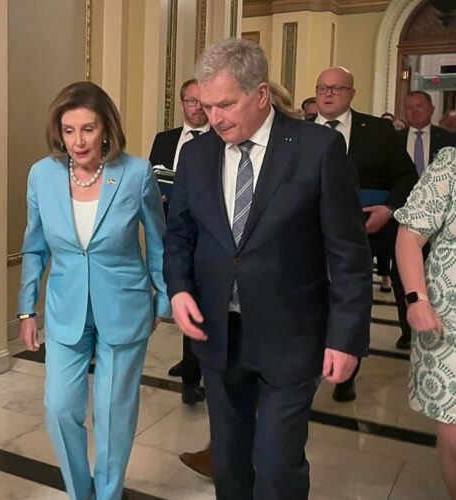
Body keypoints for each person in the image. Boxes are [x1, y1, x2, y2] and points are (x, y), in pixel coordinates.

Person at [164, 39, 371, 500]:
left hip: (292, 336)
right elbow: (178, 234)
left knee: (277, 466)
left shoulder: (318, 150)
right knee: (230, 464)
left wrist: (346, 337)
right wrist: (178, 289)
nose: (214, 117)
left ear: (260, 95)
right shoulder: (197, 156)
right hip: (219, 336)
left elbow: (349, 254)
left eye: (226, 104)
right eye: (206, 105)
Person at [17, 81, 170, 500]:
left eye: (88, 129)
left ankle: (107, 495)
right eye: (69, 130)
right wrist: (26, 309)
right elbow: (34, 246)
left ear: (106, 129)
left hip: (125, 305)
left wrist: (164, 297)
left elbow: (158, 240)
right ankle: (79, 491)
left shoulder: (135, 173)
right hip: (66, 308)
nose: (78, 141)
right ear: (58, 132)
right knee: (60, 407)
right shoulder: (41, 175)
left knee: (111, 414)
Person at [315, 66, 417, 394]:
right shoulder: (295, 132)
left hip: (365, 232)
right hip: (308, 235)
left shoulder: (377, 131)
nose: (328, 94)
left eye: (336, 88)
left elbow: (405, 176)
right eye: (322, 88)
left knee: (352, 301)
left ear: (352, 94)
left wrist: (389, 210)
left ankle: (347, 373)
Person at [394, 147, 456, 499]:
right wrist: (416, 298)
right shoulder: (451, 163)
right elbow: (410, 234)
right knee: (454, 436)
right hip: (448, 323)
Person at [148, 78, 210, 406]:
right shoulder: (165, 140)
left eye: (202, 102)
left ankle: (195, 375)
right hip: (169, 229)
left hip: (207, 236)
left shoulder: (220, 139)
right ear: (183, 103)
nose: (196, 107)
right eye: (191, 101)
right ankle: (191, 368)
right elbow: (150, 179)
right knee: (181, 295)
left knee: (200, 303)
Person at [399, 91, 456, 177]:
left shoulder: (449, 139)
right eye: (409, 107)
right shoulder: (393, 139)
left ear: (432, 109)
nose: (415, 111)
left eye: (419, 106)